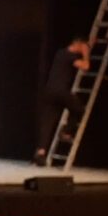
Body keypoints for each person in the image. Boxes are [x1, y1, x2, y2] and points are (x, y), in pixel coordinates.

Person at [33, 36, 90, 165]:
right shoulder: (70, 56)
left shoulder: (60, 53)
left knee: (48, 122)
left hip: (50, 91)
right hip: (60, 92)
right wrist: (86, 54)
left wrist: (89, 42)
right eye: (82, 46)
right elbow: (86, 66)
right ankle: (67, 131)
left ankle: (40, 155)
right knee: (79, 109)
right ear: (78, 44)